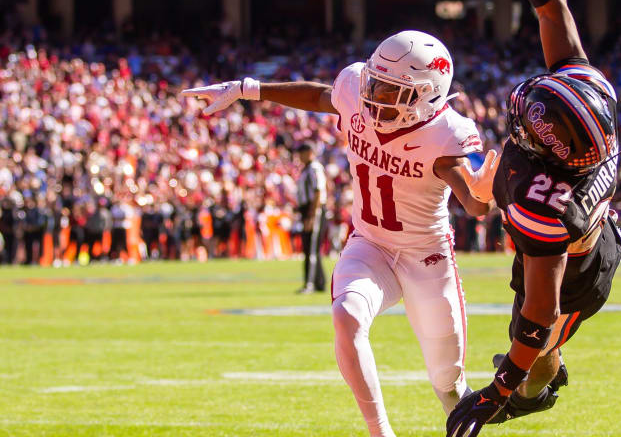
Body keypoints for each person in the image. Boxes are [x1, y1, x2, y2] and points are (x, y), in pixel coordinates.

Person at [181, 29, 493, 437]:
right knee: (346, 315)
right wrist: (247, 89)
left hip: (426, 256)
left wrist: (485, 195)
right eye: (376, 83)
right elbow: (318, 97)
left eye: (393, 91)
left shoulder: (448, 134)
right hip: (371, 243)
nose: (377, 97)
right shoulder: (354, 88)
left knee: (449, 388)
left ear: (429, 95)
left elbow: (476, 205)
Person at [446, 0, 621, 437]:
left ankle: (542, 387)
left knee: (532, 352)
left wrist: (494, 395)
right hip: (571, 240)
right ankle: (535, 371)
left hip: (573, 274)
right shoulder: (588, 98)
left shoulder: (543, 201)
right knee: (527, 334)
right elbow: (552, 4)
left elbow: (542, 308)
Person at [295, 142, 328, 294]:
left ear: (309, 152)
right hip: (308, 210)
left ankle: (310, 284)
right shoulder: (306, 169)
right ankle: (319, 282)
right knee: (310, 247)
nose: (300, 156)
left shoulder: (314, 168)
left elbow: (318, 191)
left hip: (314, 210)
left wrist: (311, 215)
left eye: (302, 152)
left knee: (312, 248)